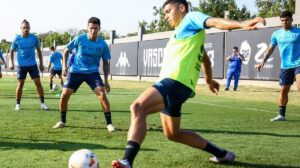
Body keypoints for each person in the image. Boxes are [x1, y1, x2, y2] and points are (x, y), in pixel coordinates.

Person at [111, 0, 266, 167]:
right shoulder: (187, 34)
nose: (166, 16)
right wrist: (208, 80)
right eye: (164, 13)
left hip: (175, 82)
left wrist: (243, 24)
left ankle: (127, 161)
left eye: (168, 11)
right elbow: (205, 59)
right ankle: (223, 154)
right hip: (179, 86)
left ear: (182, 8)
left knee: (137, 107)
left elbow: (214, 21)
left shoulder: (190, 18)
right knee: (173, 134)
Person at [53, 17, 116, 132]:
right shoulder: (80, 39)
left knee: (102, 94)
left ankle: (109, 124)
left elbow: (106, 63)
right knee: (64, 95)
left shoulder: (102, 44)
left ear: (99, 29)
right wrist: (64, 66)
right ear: (87, 28)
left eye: (95, 28)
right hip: (76, 71)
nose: (93, 31)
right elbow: (66, 50)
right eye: (91, 28)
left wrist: (106, 81)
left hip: (93, 73)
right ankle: (62, 121)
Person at [255, 11, 300, 122]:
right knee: (283, 90)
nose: (284, 22)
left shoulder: (298, 32)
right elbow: (270, 49)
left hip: (298, 63)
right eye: (282, 20)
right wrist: (263, 62)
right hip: (285, 66)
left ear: (291, 20)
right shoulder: (276, 34)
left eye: (287, 20)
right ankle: (281, 115)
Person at [9, 19, 48, 111]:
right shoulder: (16, 39)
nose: (26, 29)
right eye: (24, 28)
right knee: (20, 84)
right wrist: (10, 62)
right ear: (21, 28)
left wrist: (41, 64)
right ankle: (17, 104)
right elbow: (11, 51)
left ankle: (43, 103)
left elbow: (39, 51)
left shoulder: (34, 38)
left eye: (27, 27)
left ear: (29, 28)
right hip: (21, 66)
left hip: (32, 65)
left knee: (38, 83)